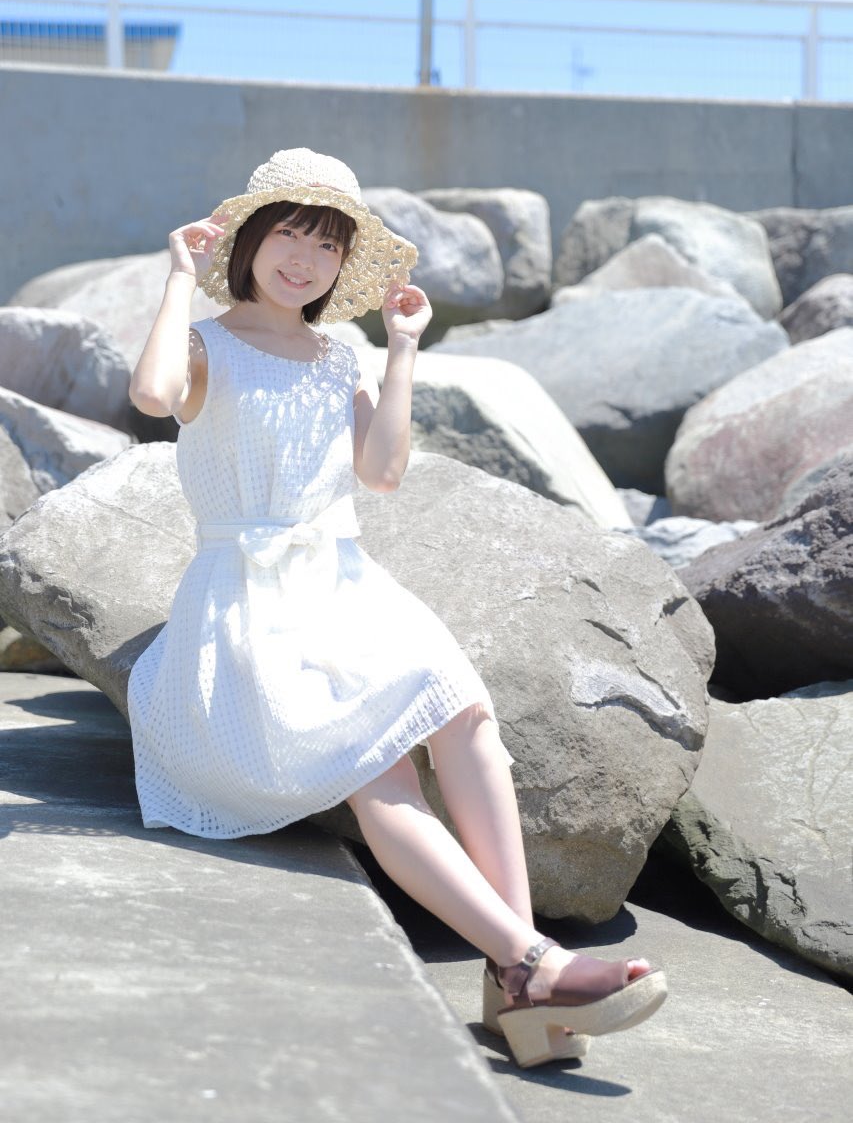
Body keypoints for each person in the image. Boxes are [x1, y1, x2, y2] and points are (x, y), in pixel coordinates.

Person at [127, 147, 666, 1069]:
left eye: (326, 245)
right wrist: (180, 274)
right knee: (382, 767)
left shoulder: (339, 355)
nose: (303, 259)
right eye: (289, 234)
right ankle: (531, 967)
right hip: (246, 606)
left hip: (343, 587)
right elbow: (151, 393)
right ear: (248, 239)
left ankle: (516, 974)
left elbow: (380, 473)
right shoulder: (208, 346)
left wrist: (404, 348)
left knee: (466, 713)